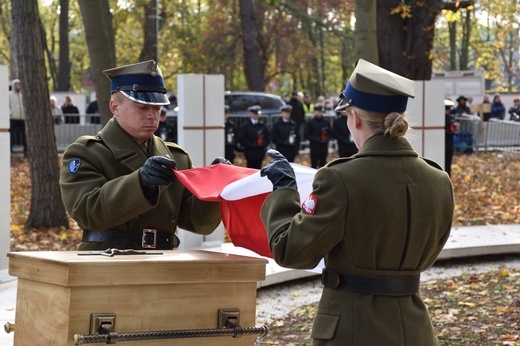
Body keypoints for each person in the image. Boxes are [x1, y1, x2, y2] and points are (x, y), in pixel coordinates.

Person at [259, 59, 454, 345]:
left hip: (353, 328)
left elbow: (291, 251)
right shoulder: (439, 180)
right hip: (416, 329)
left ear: (356, 118)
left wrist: (284, 190)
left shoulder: (340, 179)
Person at [59, 60, 223, 251]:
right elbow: (86, 211)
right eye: (142, 107)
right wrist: (140, 183)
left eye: (157, 108)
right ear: (115, 107)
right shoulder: (87, 152)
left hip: (163, 263)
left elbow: (198, 223)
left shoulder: (177, 157)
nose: (152, 115)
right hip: (108, 263)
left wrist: (215, 188)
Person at [304, 103, 331, 168]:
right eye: (318, 111)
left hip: (323, 146)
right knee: (314, 164)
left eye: (321, 111)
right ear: (315, 112)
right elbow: (306, 135)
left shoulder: (326, 122)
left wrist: (327, 139)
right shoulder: (310, 122)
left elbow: (330, 133)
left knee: (323, 164)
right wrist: (316, 139)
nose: (319, 113)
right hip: (314, 146)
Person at [9, 79, 27, 155]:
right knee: (12, 135)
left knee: (24, 135)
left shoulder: (23, 95)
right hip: (13, 118)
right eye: (16, 85)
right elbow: (7, 105)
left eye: (19, 84)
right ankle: (10, 150)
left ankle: (25, 150)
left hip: (22, 118)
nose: (17, 86)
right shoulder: (9, 95)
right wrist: (10, 113)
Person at [445, 99, 458, 176]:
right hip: (443, 145)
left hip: (449, 145)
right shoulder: (440, 118)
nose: (448, 111)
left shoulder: (450, 118)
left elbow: (452, 130)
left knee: (448, 165)